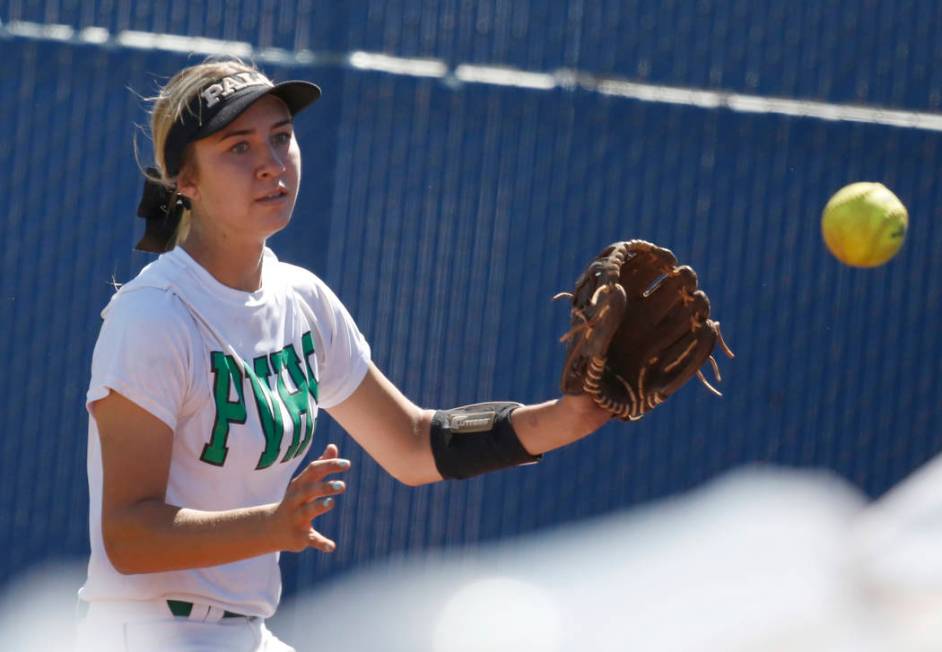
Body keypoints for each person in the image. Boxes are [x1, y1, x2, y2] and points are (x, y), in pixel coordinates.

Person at [76, 58, 610, 652]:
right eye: (238, 147)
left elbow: (412, 444)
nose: (271, 164)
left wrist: (570, 416)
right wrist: (272, 526)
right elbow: (128, 536)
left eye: (281, 138)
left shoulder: (301, 300)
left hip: (245, 633)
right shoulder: (154, 316)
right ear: (185, 180)